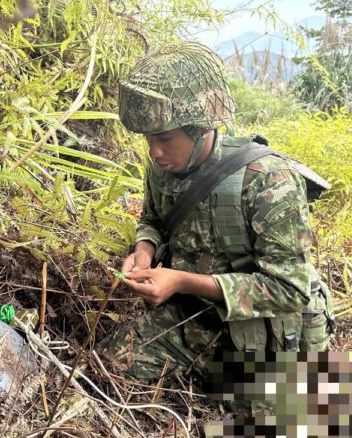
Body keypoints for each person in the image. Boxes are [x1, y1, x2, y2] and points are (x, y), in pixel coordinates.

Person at [97, 42, 333, 394]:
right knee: (108, 366)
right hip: (198, 315)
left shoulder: (268, 180)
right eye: (148, 139)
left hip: (264, 333)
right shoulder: (164, 168)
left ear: (201, 129)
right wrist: (144, 250)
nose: (154, 152)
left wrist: (180, 281)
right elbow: (154, 219)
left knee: (262, 433)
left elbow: (290, 289)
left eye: (164, 139)